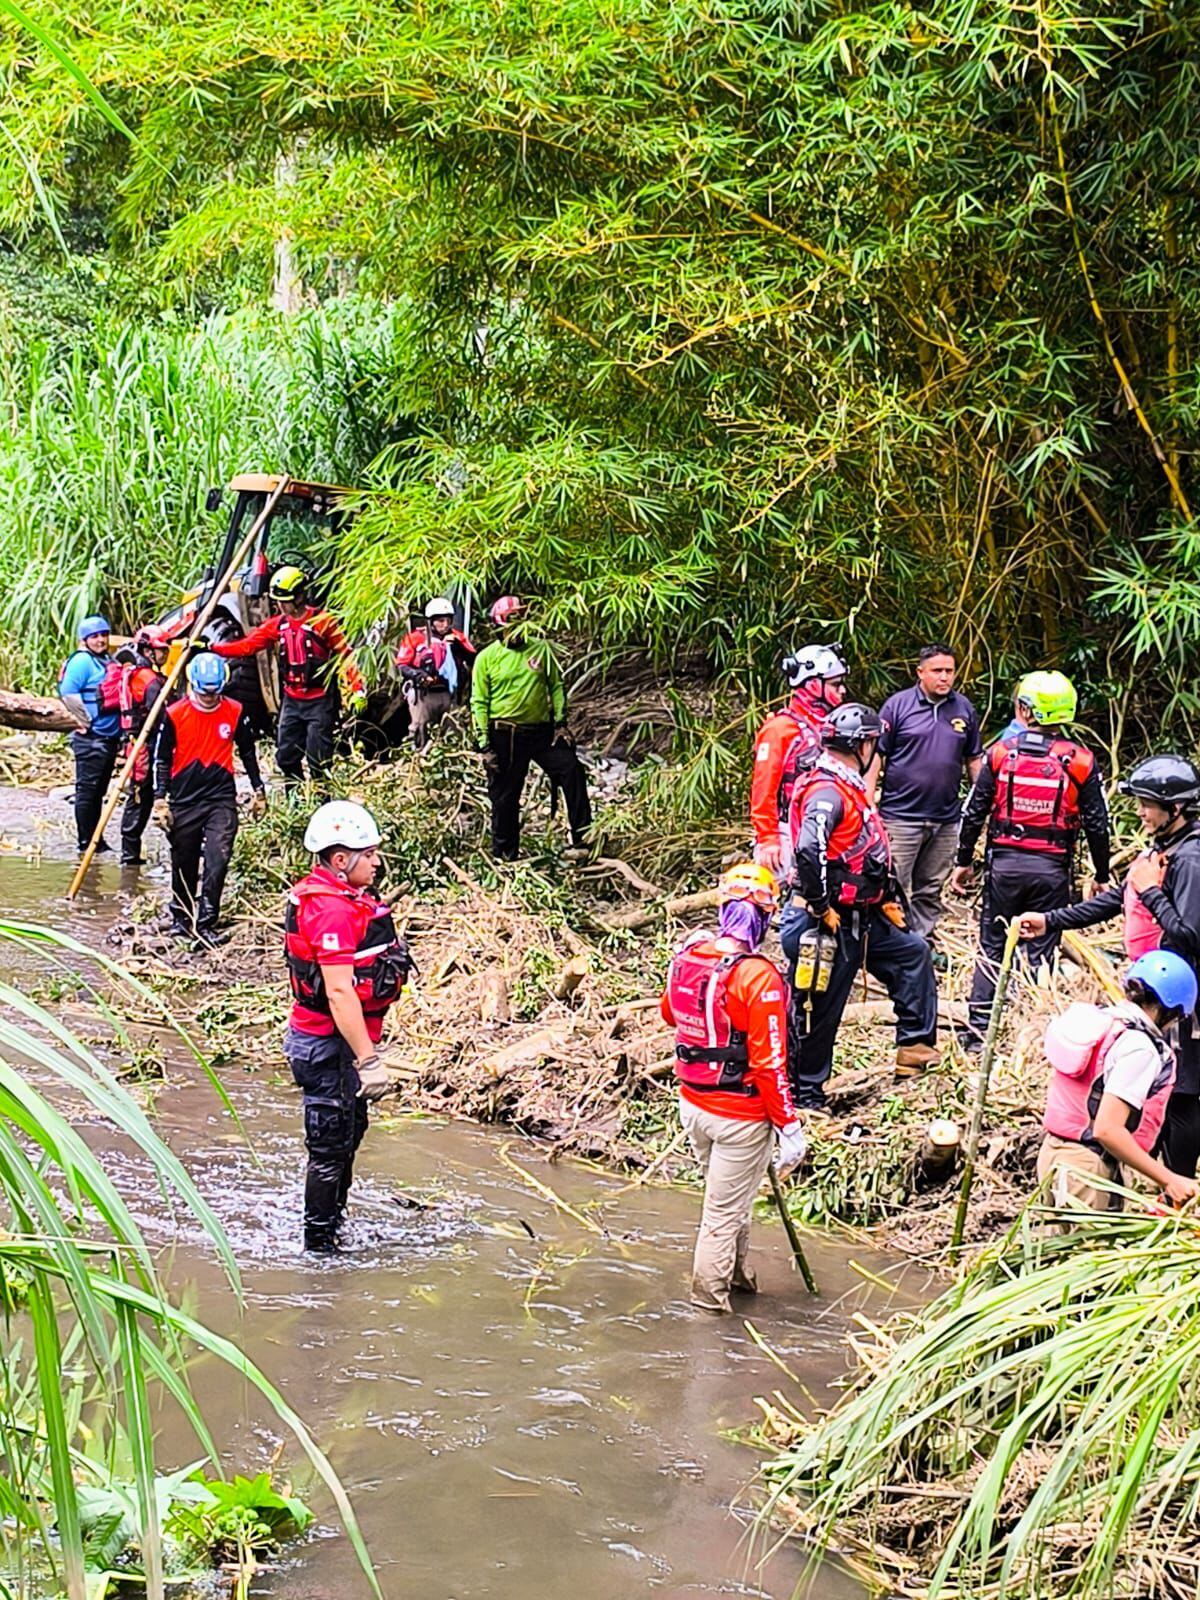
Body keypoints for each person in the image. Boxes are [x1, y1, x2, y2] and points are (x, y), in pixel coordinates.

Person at [1020, 754, 1200, 1176]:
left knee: (1185, 1091)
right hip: (1152, 984)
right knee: (1167, 1087)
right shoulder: (1164, 847)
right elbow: (1117, 899)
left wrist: (1152, 891)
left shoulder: (1190, 859)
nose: (1139, 812)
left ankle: (1178, 1187)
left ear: (1175, 808)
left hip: (1182, 995)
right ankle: (1161, 1178)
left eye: (1147, 804)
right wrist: (1050, 922)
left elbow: (1190, 935)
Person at [660, 863, 808, 1312]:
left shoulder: (690, 955)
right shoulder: (757, 976)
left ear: (724, 908)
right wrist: (789, 1126)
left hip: (694, 1104)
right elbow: (769, 1062)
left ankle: (740, 1283)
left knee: (730, 1200)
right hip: (740, 1116)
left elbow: (671, 1014)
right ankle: (709, 1308)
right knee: (722, 1216)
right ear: (764, 919)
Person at [779, 704, 940, 1107]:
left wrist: (884, 898)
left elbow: (859, 850)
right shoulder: (827, 789)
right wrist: (819, 905)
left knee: (912, 955)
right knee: (818, 1011)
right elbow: (808, 847)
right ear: (861, 744)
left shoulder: (847, 784)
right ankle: (804, 1097)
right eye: (872, 741)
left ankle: (914, 1050)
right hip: (825, 922)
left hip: (863, 915)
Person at [951, 671, 1110, 1049]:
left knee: (992, 946)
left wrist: (963, 860)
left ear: (1026, 708)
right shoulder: (1082, 761)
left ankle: (977, 1037)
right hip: (1052, 869)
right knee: (1041, 950)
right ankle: (1035, 1035)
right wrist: (1102, 873)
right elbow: (1097, 823)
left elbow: (974, 811)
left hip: (1004, 865)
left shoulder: (1001, 753)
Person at [284, 801, 412, 1252]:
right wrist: (369, 1061)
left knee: (347, 1136)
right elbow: (339, 992)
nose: (377, 862)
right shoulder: (332, 911)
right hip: (325, 1047)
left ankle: (334, 1227)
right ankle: (319, 1251)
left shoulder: (344, 899)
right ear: (341, 860)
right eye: (370, 854)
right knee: (329, 1149)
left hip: (335, 1046)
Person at [1037, 951, 1199, 1216]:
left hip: (1054, 1154)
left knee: (1054, 1249)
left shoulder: (1101, 1021)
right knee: (1086, 1252)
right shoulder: (1138, 1048)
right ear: (1169, 1009)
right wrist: (1169, 1179)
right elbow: (1107, 1130)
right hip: (1087, 1170)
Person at [209, 565, 365, 787]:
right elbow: (247, 646)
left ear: (299, 597)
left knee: (318, 760)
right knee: (285, 757)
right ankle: (295, 797)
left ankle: (322, 801)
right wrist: (214, 648)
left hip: (319, 701)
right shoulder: (278, 625)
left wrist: (358, 688)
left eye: (284, 601)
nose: (280, 606)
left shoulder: (324, 622)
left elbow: (346, 656)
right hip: (292, 700)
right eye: (278, 601)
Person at [153, 653, 266, 947]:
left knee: (219, 857)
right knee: (184, 859)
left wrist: (259, 789)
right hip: (185, 797)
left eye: (215, 693)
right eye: (204, 693)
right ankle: (181, 917)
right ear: (193, 686)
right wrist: (159, 799)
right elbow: (162, 759)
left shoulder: (235, 711)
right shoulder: (175, 714)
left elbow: (248, 751)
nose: (209, 699)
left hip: (220, 797)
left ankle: (206, 921)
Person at [877, 643, 983, 947]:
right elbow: (876, 757)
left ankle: (922, 945)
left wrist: (982, 799)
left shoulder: (963, 708)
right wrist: (866, 801)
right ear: (920, 672)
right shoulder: (897, 706)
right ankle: (888, 946)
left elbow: (973, 757)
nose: (944, 677)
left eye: (950, 671)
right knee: (892, 885)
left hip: (945, 817)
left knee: (930, 887)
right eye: (937, 671)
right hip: (900, 816)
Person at [471, 596, 592, 861]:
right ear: (500, 625)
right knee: (505, 795)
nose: (517, 628)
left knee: (571, 770)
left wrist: (561, 723)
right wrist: (484, 744)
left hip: (541, 731)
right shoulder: (486, 658)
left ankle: (584, 838)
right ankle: (505, 856)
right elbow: (479, 702)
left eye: (521, 621)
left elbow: (556, 686)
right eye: (511, 622)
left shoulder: (541, 650)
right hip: (505, 733)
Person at [750, 645, 847, 878]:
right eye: (835, 684)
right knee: (779, 905)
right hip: (786, 833)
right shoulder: (780, 729)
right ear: (814, 685)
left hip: (827, 829)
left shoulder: (833, 726)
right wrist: (768, 838)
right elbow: (763, 789)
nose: (843, 691)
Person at [58, 614, 121, 855]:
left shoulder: (105, 660)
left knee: (99, 792)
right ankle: (86, 843)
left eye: (104, 635)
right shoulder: (82, 662)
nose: (101, 640)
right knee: (88, 791)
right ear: (85, 640)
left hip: (108, 736)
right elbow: (68, 693)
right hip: (91, 737)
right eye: (95, 636)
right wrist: (84, 722)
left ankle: (97, 840)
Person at [117, 625, 172, 866]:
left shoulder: (137, 674)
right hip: (147, 746)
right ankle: (130, 856)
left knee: (141, 796)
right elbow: (162, 716)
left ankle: (130, 854)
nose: (166, 654)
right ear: (149, 651)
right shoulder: (148, 681)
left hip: (138, 744)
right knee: (141, 797)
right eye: (162, 650)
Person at [394, 597, 477, 749]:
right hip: (424, 695)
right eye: (440, 621)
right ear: (430, 621)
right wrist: (418, 675)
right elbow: (402, 665)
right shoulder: (415, 638)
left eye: (448, 620)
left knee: (453, 731)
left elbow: (474, 659)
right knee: (420, 729)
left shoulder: (458, 637)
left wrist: (458, 647)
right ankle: (418, 759)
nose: (445, 625)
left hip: (449, 694)